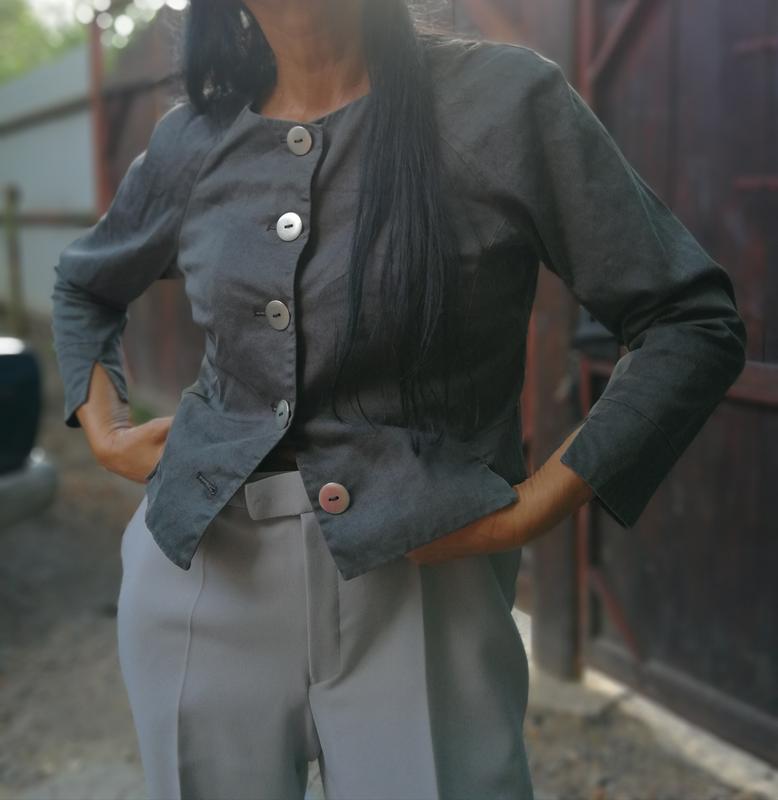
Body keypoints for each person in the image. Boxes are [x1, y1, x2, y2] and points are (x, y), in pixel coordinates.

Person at [49, 0, 747, 798]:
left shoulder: (504, 102)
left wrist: (534, 508)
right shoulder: (193, 138)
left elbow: (690, 321)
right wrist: (105, 428)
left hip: (425, 586)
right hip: (203, 571)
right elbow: (86, 285)